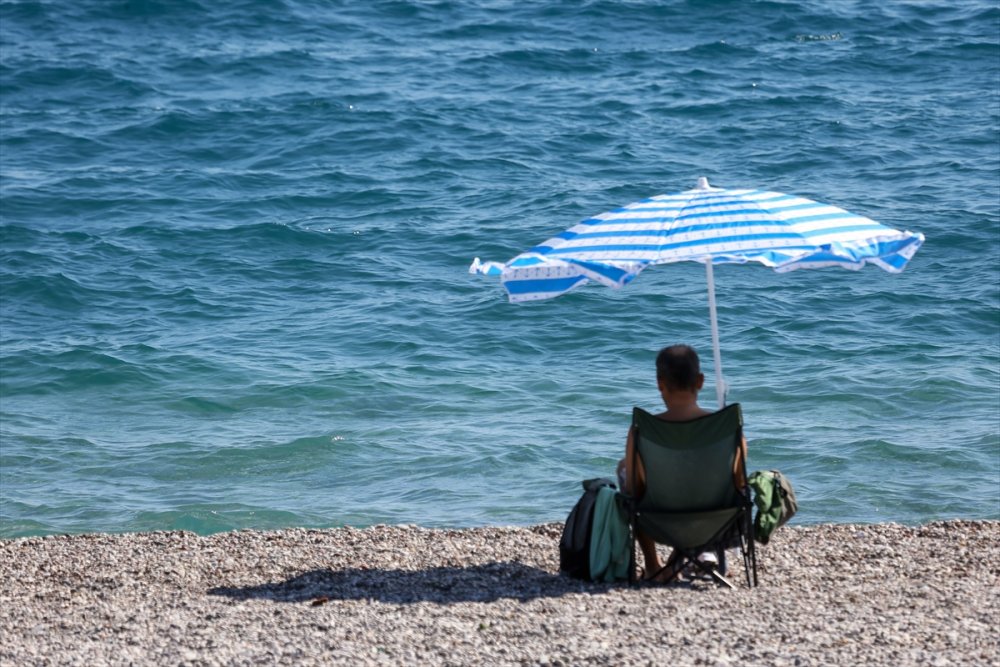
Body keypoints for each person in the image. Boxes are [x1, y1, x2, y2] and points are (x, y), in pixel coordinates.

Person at [616, 344, 747, 582]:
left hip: (658, 521)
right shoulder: (727, 429)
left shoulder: (642, 431)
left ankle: (653, 566)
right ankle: (678, 562)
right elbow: (739, 485)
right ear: (700, 381)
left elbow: (634, 491)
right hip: (716, 522)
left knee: (624, 470)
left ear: (659, 384)